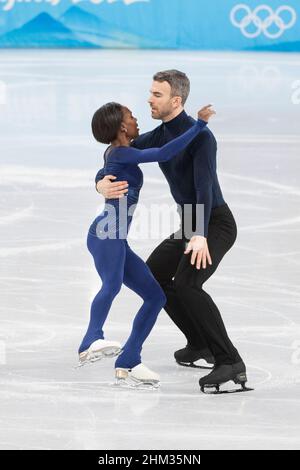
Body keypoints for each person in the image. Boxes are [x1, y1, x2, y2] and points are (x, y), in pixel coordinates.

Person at [96, 70, 253, 394]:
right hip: (193, 222)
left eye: (157, 95)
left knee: (188, 284)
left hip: (214, 222)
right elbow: (119, 154)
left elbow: (204, 187)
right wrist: (99, 181)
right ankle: (199, 343)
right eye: (151, 92)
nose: (149, 100)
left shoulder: (202, 138)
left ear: (176, 100)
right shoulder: (161, 135)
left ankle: (230, 361)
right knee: (156, 276)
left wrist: (199, 234)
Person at [78, 101, 214, 389]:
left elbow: (106, 170)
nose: (137, 119)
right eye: (131, 116)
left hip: (115, 236)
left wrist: (99, 181)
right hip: (107, 233)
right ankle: (91, 339)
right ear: (122, 126)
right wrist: (200, 126)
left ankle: (129, 359)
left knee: (155, 296)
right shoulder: (123, 152)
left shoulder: (117, 151)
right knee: (111, 286)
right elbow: (164, 152)